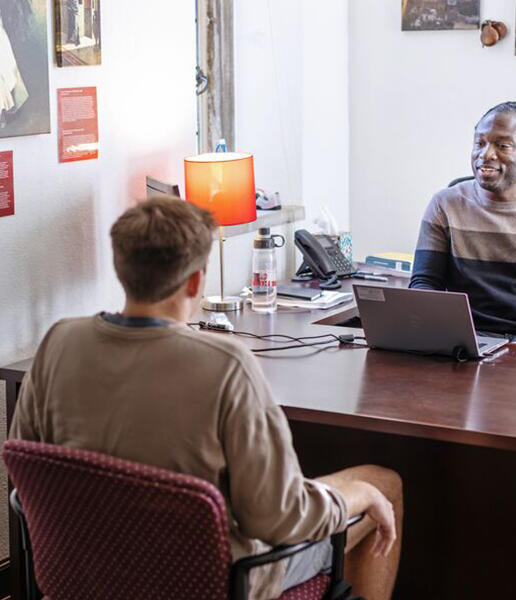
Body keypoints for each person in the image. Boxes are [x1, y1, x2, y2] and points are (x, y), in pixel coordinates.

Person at [9, 197, 403, 600]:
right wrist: (358, 497)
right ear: (196, 281)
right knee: (381, 485)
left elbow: (27, 468)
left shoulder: (59, 343)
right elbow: (277, 518)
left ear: (120, 268)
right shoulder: (226, 365)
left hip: (86, 572)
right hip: (213, 582)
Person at [410, 102, 516, 347]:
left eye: (502, 146)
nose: (486, 154)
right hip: (463, 339)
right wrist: (452, 338)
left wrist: (512, 351)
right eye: (480, 143)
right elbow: (425, 282)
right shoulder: (445, 205)